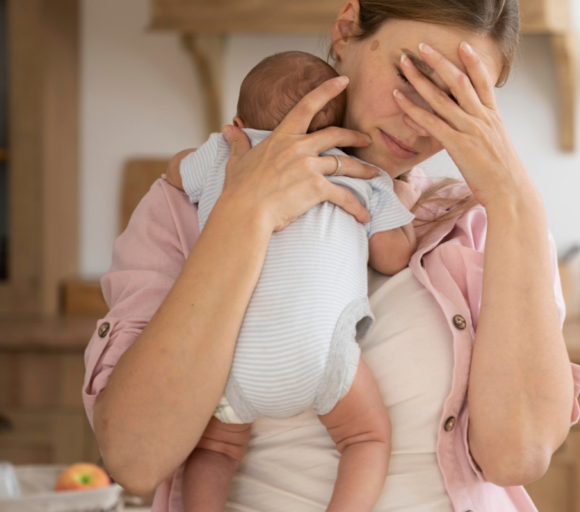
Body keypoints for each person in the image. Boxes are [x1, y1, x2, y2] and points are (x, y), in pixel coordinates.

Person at [82, 0, 580, 510]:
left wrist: (515, 197)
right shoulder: (188, 208)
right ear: (346, 31)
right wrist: (243, 217)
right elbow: (135, 460)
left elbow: (516, 457)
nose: (421, 121)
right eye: (412, 77)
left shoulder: (487, 225)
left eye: (456, 99)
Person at [175, 50, 418, 512]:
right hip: (319, 354)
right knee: (366, 439)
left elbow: (172, 175)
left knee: (214, 450)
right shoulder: (359, 173)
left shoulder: (226, 155)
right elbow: (394, 257)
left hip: (228, 360)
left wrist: (212, 155)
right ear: (340, 130)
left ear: (240, 122)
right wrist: (400, 194)